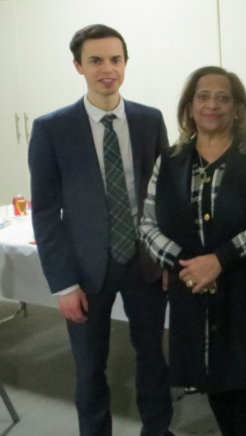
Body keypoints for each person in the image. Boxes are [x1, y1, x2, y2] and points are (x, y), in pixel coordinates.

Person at [29, 24, 173, 436]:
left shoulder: (149, 120)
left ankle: (157, 431)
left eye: (115, 59)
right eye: (95, 60)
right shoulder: (52, 129)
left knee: (152, 361)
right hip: (86, 270)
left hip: (145, 263)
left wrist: (166, 258)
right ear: (78, 66)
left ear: (125, 63)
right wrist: (62, 284)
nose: (107, 69)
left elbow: (164, 197)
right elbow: (45, 213)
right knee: (90, 367)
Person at [139, 66, 246, 436]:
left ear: (237, 108)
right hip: (193, 291)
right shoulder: (170, 160)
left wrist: (220, 261)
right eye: (203, 97)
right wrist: (187, 267)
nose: (212, 105)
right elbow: (147, 224)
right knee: (213, 378)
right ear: (189, 107)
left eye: (222, 98)